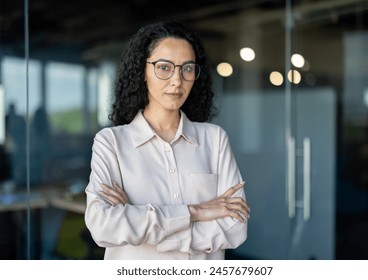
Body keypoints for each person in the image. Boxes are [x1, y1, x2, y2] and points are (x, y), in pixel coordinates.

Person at [84, 20, 249, 260]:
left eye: (187, 68)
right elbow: (103, 226)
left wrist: (137, 219)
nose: (177, 80)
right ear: (143, 71)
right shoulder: (111, 143)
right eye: (164, 67)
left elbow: (236, 228)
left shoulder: (215, 140)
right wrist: (195, 211)